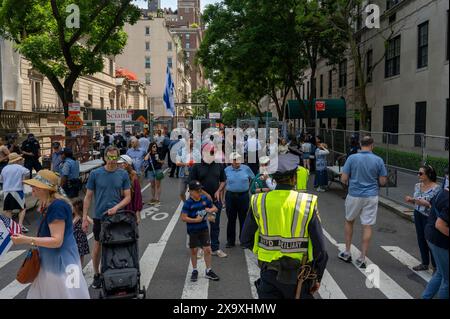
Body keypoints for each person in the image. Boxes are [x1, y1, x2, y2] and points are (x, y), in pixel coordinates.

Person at [240, 153, 328, 299]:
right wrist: (317, 277)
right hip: (299, 276)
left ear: (273, 179)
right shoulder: (307, 202)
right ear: (294, 179)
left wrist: (265, 253)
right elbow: (321, 250)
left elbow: (245, 239)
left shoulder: (259, 201)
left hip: (269, 273)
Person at [11, 170, 90, 299]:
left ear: (45, 188)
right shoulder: (49, 204)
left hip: (60, 265)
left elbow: (57, 241)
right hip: (55, 263)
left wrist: (26, 239)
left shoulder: (56, 206)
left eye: (35, 185)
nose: (32, 187)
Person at [82, 145, 131, 289]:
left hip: (117, 216)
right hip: (99, 216)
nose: (112, 160)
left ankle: (115, 271)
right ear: (104, 158)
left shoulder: (123, 174)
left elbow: (128, 197)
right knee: (97, 245)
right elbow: (88, 197)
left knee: (118, 243)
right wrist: (84, 218)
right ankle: (97, 274)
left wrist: (116, 208)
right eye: (109, 157)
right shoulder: (95, 174)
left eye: (115, 157)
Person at [339, 136, 387, 268]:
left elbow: (344, 178)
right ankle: (362, 257)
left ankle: (347, 252)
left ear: (360, 145)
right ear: (372, 145)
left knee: (349, 221)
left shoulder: (352, 158)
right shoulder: (378, 160)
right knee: (367, 225)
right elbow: (383, 181)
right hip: (371, 195)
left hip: (354, 194)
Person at [190, 143, 227, 258]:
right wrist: (204, 193)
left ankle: (215, 248)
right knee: (200, 224)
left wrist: (218, 190)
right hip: (199, 200)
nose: (213, 154)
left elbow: (223, 180)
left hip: (215, 200)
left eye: (214, 152)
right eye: (211, 152)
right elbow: (192, 183)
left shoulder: (218, 165)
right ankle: (201, 247)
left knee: (215, 224)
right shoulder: (197, 166)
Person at [181, 180, 220, 282]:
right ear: (191, 191)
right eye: (197, 191)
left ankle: (208, 270)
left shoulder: (204, 199)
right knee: (194, 251)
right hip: (192, 230)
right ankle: (194, 270)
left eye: (200, 190)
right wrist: (195, 220)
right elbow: (183, 218)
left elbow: (215, 208)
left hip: (204, 229)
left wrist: (209, 210)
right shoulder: (188, 203)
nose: (200, 192)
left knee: (207, 249)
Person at [405, 164, 440, 271]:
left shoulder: (436, 188)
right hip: (418, 213)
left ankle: (436, 266)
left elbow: (436, 205)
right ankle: (424, 263)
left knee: (430, 240)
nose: (418, 175)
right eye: (418, 173)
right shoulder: (417, 185)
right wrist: (411, 200)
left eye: (421, 173)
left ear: (428, 174)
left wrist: (426, 203)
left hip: (429, 217)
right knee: (421, 238)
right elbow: (416, 200)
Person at [422, 185, 448, 299]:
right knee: (448, 281)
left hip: (431, 236)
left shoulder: (443, 192)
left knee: (440, 273)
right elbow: (440, 224)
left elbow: (432, 204)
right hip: (440, 241)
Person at [224, 152, 255, 248]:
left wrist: (249, 188)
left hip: (243, 196)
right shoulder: (226, 170)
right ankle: (230, 241)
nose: (237, 161)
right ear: (231, 161)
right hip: (230, 196)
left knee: (243, 219)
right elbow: (222, 182)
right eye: (234, 159)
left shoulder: (246, 168)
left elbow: (253, 179)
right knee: (231, 219)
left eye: (238, 159)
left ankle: (244, 241)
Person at [0, 153, 30, 233]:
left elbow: (1, 180)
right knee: (22, 208)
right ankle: (20, 226)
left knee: (8, 210)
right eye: (20, 159)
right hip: (18, 190)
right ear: (17, 160)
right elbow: (27, 172)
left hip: (6, 191)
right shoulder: (20, 167)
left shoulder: (4, 168)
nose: (21, 160)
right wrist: (23, 180)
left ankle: (10, 227)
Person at [119, 154, 143, 224]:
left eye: (120, 163)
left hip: (129, 211)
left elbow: (137, 197)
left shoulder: (133, 178)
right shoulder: (115, 176)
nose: (117, 165)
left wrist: (137, 214)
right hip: (118, 211)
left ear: (126, 165)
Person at [176, 137, 201, 202]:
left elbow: (200, 162)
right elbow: (177, 163)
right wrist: (186, 164)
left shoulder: (197, 151)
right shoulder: (180, 151)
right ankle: (185, 203)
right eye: (190, 141)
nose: (191, 142)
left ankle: (191, 205)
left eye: (192, 141)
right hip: (183, 174)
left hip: (193, 175)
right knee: (181, 193)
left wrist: (194, 163)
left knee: (192, 193)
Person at [72, 198, 91, 266]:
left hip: (80, 239)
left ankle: (80, 269)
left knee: (80, 254)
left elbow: (91, 221)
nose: (72, 208)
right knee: (75, 255)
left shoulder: (82, 216)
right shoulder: (72, 216)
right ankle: (78, 268)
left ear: (76, 207)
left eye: (73, 206)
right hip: (74, 239)